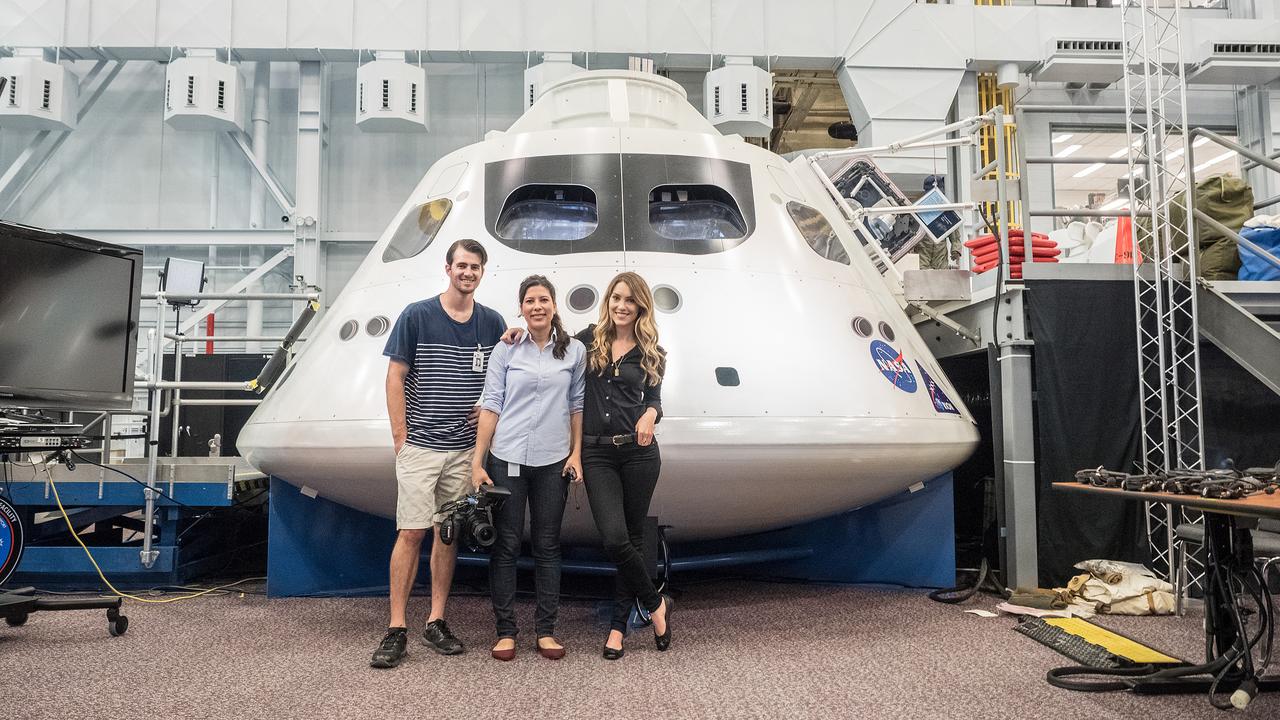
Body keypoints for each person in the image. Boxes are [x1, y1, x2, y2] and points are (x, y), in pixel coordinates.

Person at [370, 238, 508, 669]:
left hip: (464, 452)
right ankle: (396, 628)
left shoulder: (491, 322)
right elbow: (395, 377)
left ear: (483, 273)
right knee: (411, 533)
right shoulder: (417, 315)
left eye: (475, 267)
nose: (468, 273)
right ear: (447, 269)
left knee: (446, 534)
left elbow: (502, 376)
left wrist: (483, 408)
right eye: (461, 266)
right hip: (421, 448)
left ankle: (436, 620)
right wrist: (400, 438)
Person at [472, 275, 586, 661]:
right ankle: (505, 631)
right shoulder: (507, 349)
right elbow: (491, 403)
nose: (537, 306)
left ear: (555, 305)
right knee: (505, 545)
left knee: (547, 546)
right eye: (530, 301)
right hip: (507, 457)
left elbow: (577, 406)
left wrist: (576, 454)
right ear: (521, 307)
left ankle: (546, 631)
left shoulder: (574, 352)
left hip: (553, 460)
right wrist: (478, 461)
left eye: (544, 299)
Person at [577, 272, 671, 660]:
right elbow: (545, 339)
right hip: (596, 454)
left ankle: (617, 628)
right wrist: (514, 332)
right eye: (616, 298)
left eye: (629, 300)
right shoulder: (586, 342)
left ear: (641, 307)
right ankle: (656, 605)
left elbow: (656, 400)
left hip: (639, 454)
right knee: (615, 538)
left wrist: (651, 412)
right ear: (608, 301)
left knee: (632, 539)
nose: (621, 305)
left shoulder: (653, 352)